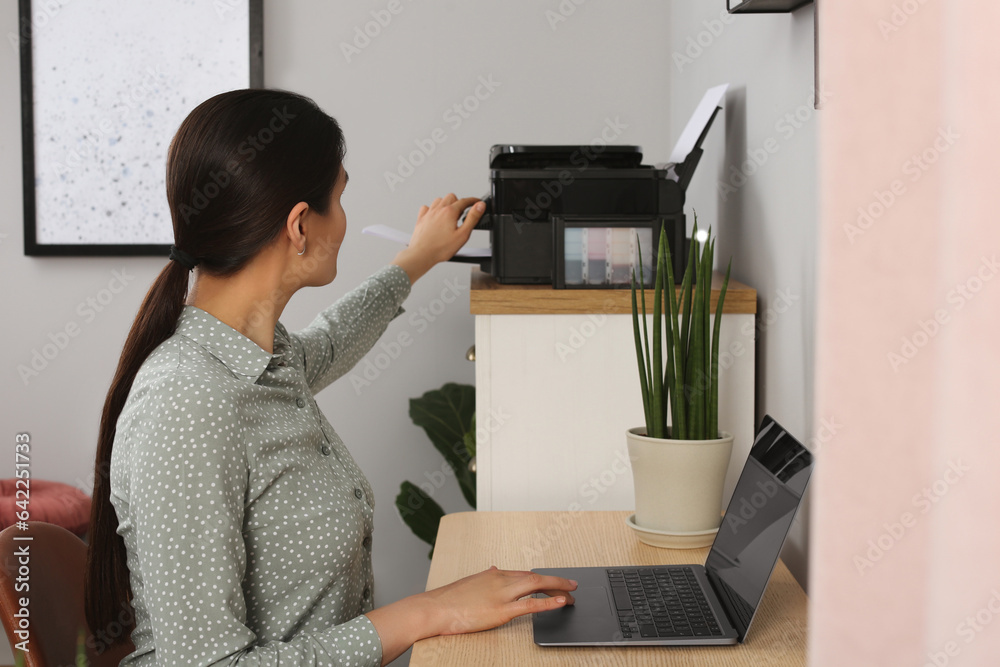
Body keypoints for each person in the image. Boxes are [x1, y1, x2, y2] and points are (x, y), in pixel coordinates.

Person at [83, 88, 577, 666]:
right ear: (300, 225)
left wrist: (418, 258)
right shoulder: (188, 404)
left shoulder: (262, 359)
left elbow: (333, 341)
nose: (344, 219)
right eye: (339, 198)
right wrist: (432, 610)